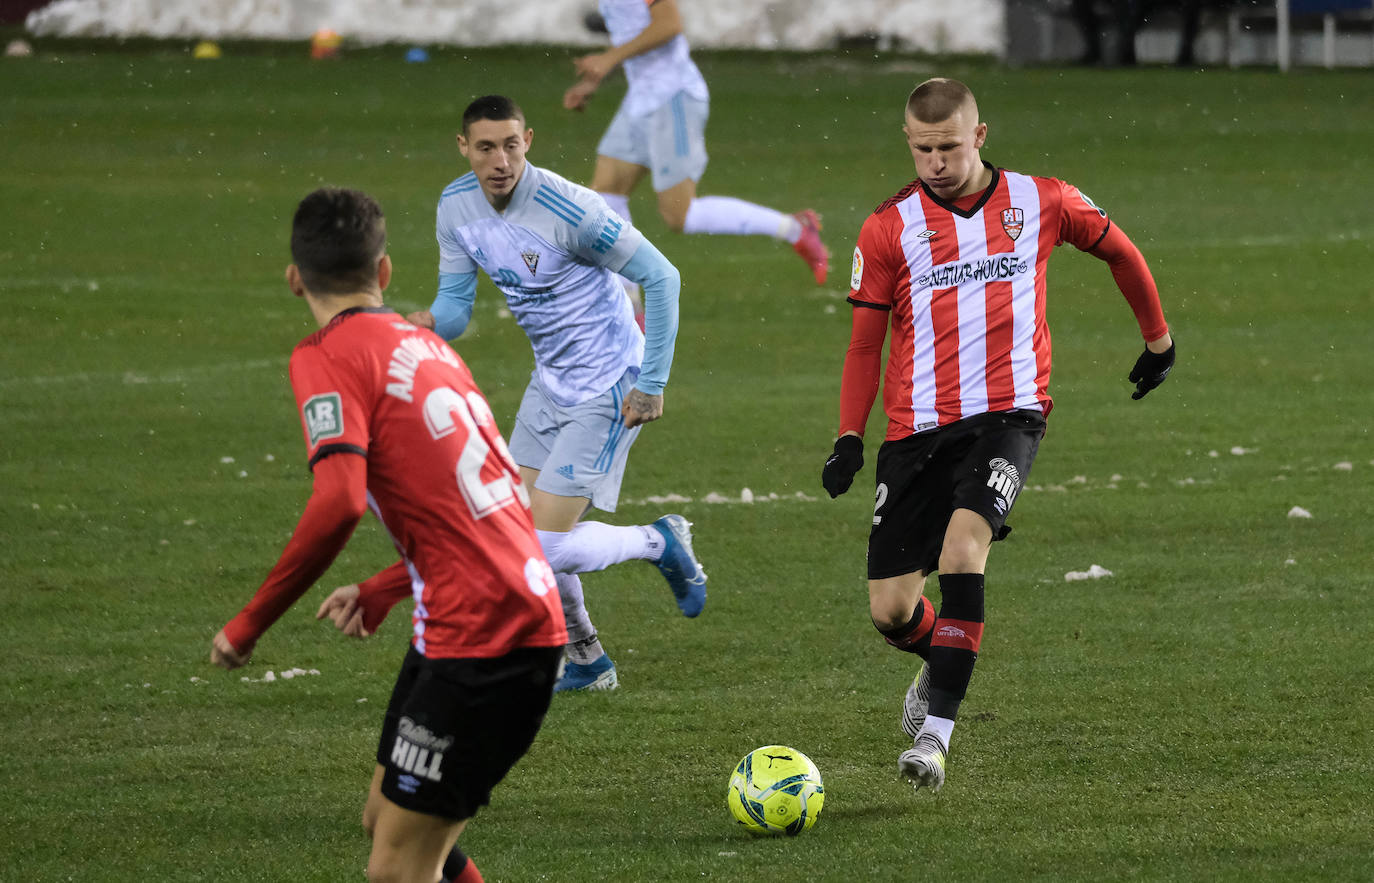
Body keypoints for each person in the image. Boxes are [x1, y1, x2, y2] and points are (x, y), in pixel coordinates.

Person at [820, 78, 1175, 792]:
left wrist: (1158, 339)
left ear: (979, 136)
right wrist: (850, 438)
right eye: (922, 149)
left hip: (1010, 416)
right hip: (915, 431)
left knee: (963, 549)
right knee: (891, 610)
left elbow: (1122, 252)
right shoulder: (887, 228)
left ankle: (935, 736)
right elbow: (864, 346)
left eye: (949, 146)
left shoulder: (1039, 200)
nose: (935, 162)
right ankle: (940, 657)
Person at [210, 187, 567, 883]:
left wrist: (249, 623)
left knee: (398, 869)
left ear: (294, 280)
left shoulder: (327, 355)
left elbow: (339, 500)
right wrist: (383, 586)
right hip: (481, 615)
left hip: (488, 633)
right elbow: (500, 506)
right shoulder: (428, 347)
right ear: (385, 272)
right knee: (385, 818)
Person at [406, 94, 707, 694]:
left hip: (611, 383)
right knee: (513, 533)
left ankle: (659, 540)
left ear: (529, 141)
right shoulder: (455, 208)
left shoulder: (569, 210)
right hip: (551, 382)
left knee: (535, 547)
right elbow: (457, 309)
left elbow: (662, 276)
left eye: (510, 145)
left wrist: (651, 382)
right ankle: (588, 657)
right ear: (463, 148)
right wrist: (423, 324)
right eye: (486, 147)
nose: (500, 160)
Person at [562, 0, 830, 323]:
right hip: (642, 98)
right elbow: (630, 29)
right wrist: (595, 78)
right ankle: (632, 313)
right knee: (605, 195)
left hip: (673, 97)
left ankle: (794, 229)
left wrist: (607, 60)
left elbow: (668, 24)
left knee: (680, 215)